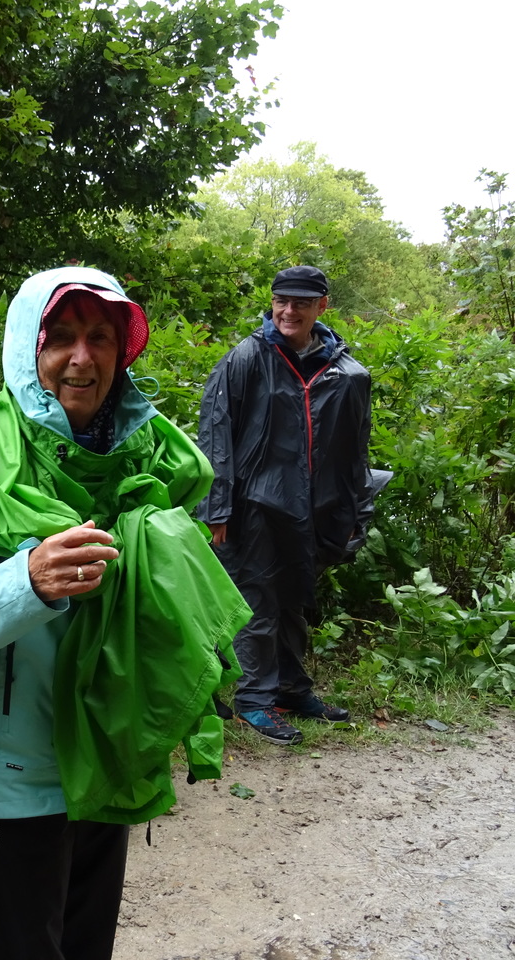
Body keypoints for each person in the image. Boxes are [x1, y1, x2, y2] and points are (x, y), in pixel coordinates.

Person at [0, 266, 249, 960]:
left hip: (107, 762)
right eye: (60, 337)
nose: (82, 358)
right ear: (25, 349)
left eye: (101, 338)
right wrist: (28, 583)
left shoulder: (150, 458)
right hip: (6, 789)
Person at [198, 265, 374, 746]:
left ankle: (292, 690)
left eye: (301, 303)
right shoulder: (247, 358)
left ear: (322, 307)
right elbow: (215, 432)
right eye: (281, 301)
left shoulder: (345, 373)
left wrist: (354, 512)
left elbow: (355, 451)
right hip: (252, 506)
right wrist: (217, 508)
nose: (288, 311)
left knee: (295, 598)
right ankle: (255, 699)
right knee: (256, 600)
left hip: (313, 509)